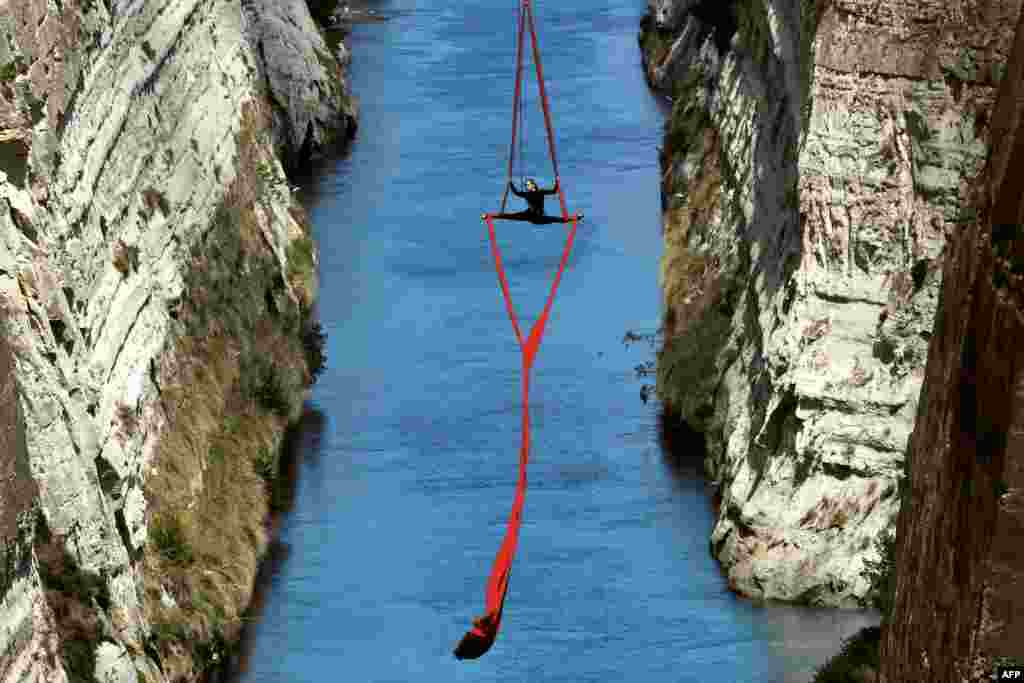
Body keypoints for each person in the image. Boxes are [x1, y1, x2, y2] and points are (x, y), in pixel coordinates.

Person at [484, 178, 584, 224]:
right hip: (529, 214)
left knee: (557, 219)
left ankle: (576, 218)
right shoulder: (526, 193)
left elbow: (554, 191)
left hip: (539, 215)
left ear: (533, 184)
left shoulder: (541, 192)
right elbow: (516, 193)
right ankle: (490, 216)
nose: (528, 186)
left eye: (529, 184)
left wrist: (557, 182)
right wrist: (510, 183)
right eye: (526, 185)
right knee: (511, 216)